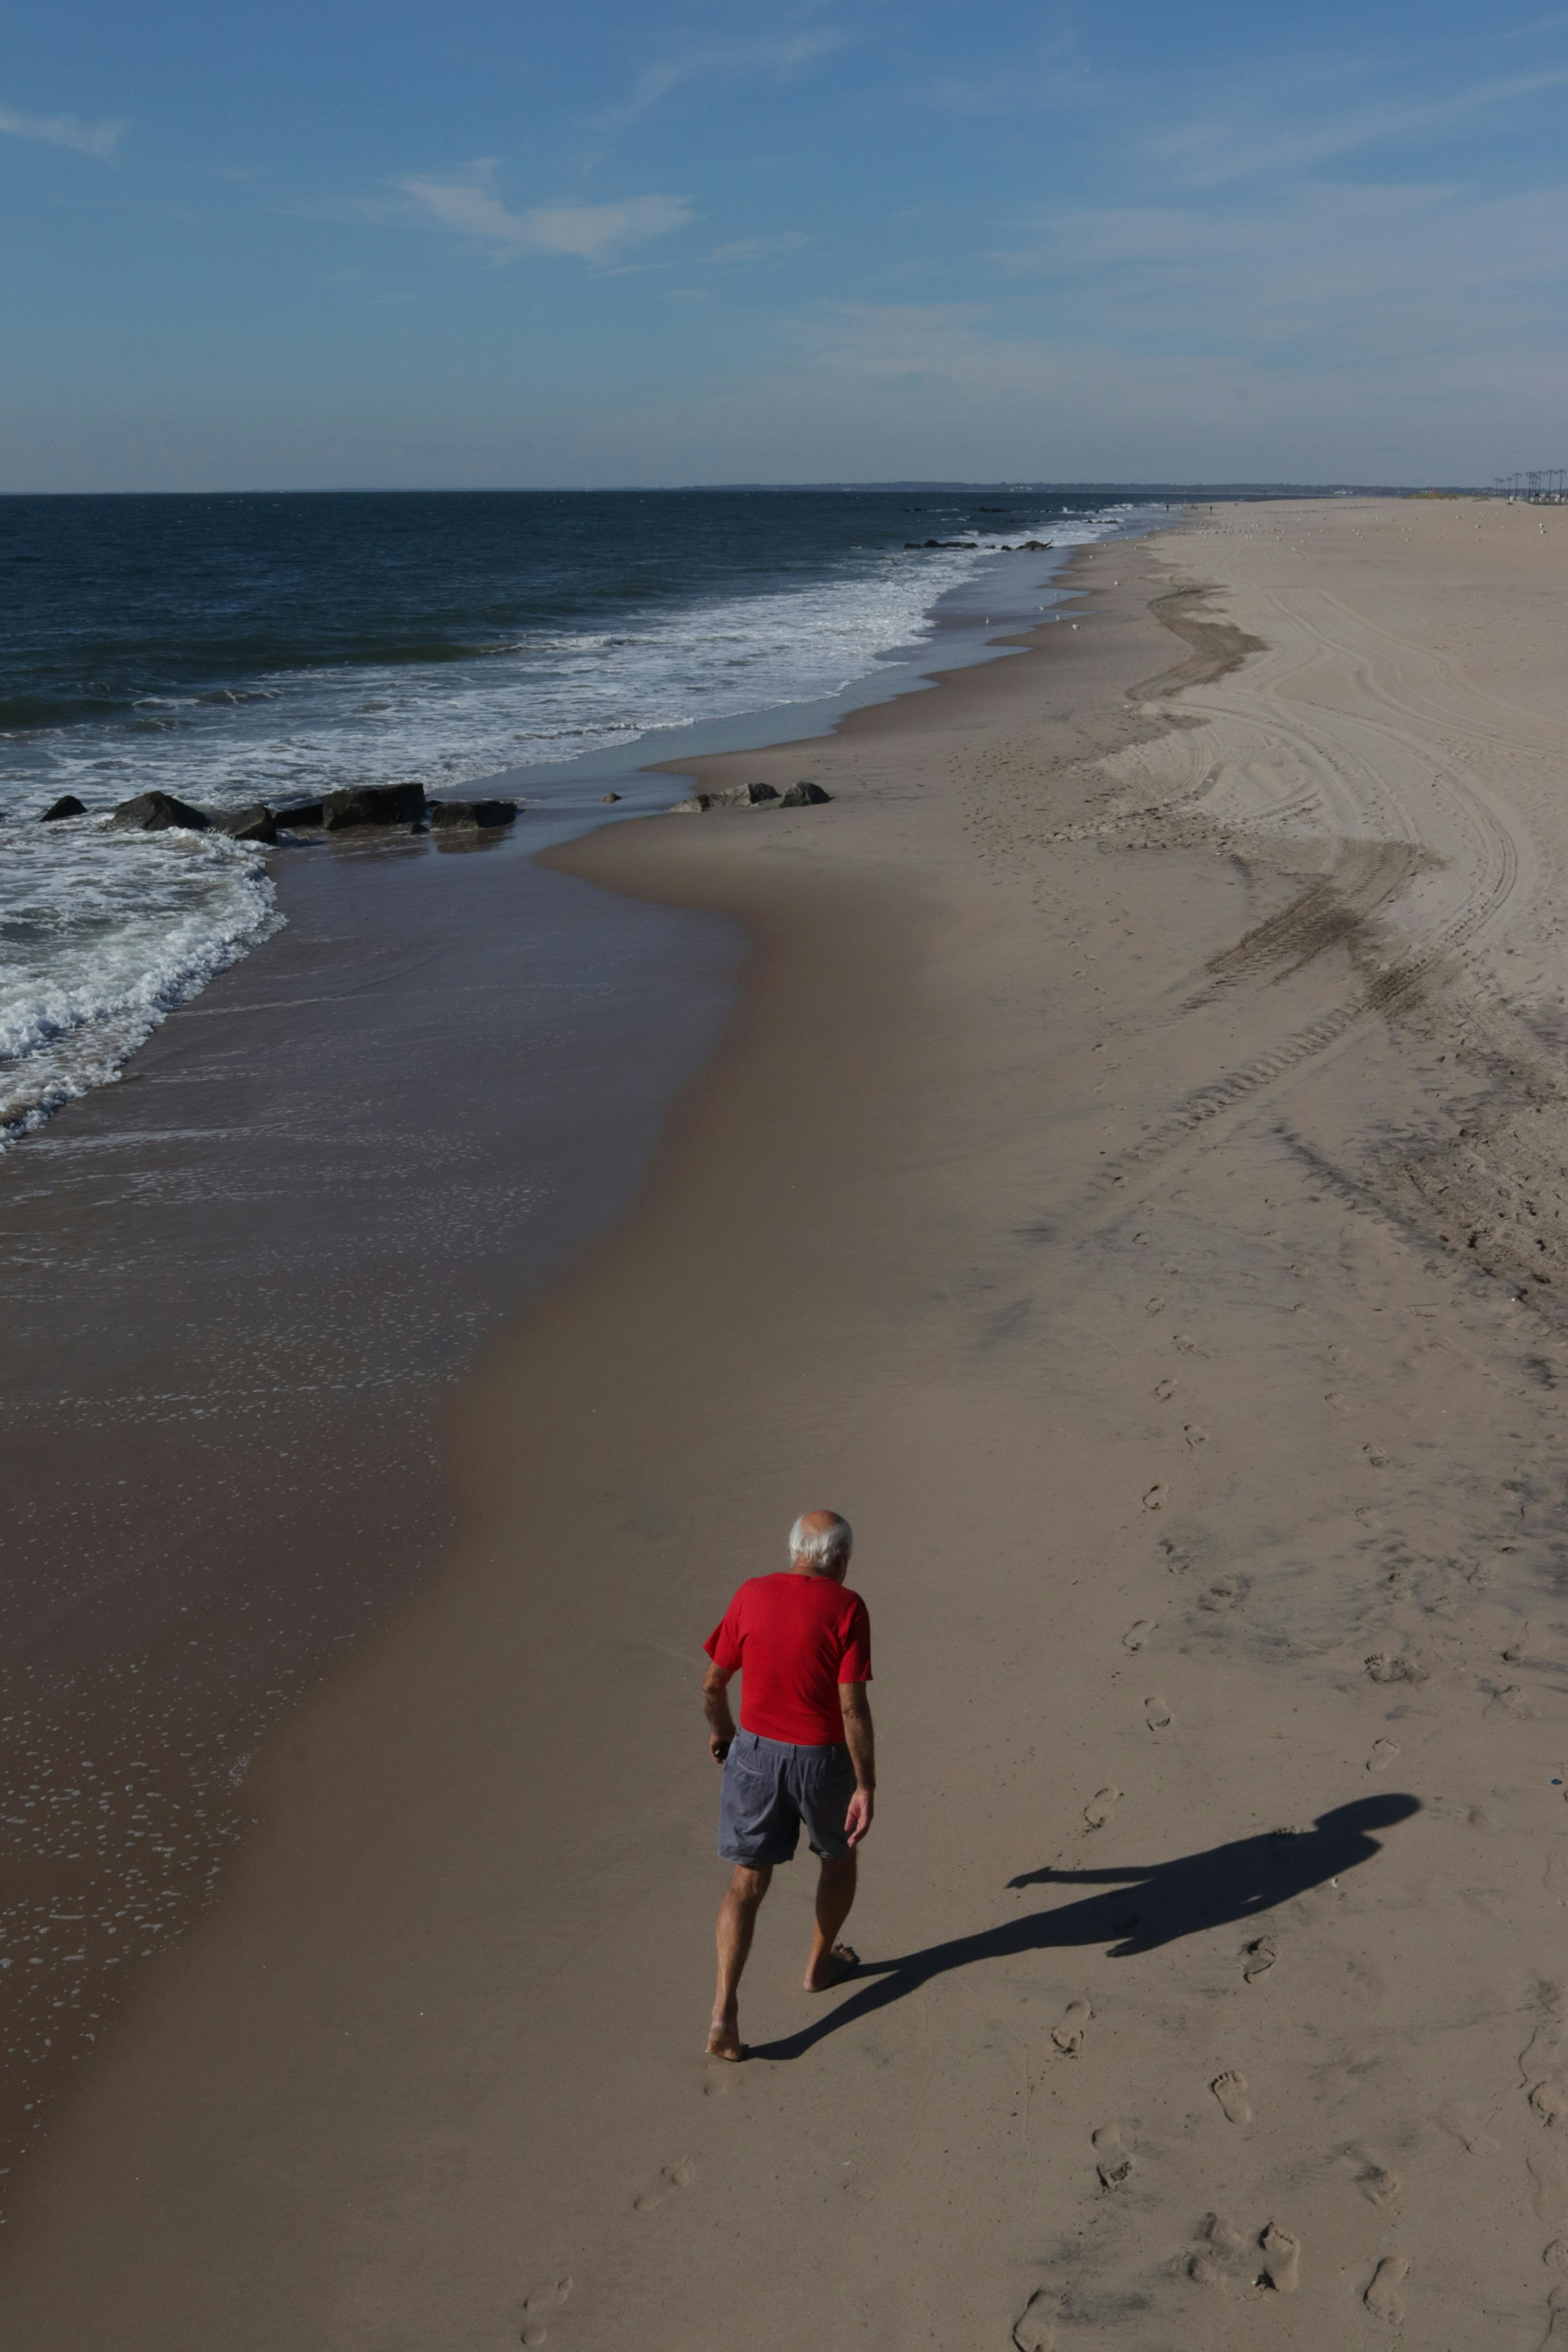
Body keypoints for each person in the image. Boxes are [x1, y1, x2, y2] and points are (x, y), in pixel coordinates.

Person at [701, 1509, 875, 2062]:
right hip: (823, 1760)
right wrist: (866, 1782)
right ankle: (820, 1966)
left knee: (745, 1885)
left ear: (795, 1549)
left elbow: (712, 1684)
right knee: (838, 1859)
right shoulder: (847, 1607)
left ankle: (724, 2010)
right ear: (840, 1558)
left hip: (753, 1756)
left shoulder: (752, 1594)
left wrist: (724, 1733)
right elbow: (851, 1707)